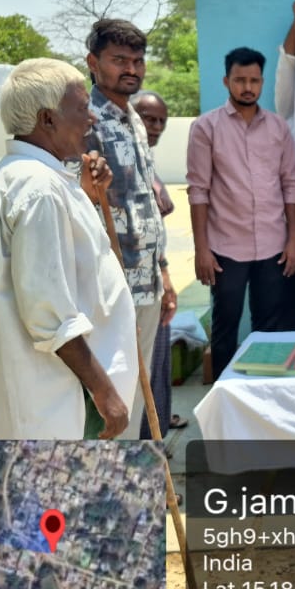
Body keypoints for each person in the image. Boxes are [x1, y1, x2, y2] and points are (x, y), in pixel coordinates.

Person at [0, 59, 134, 589]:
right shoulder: (36, 191)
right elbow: (49, 314)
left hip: (34, 399)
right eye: (79, 106)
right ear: (45, 119)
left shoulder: (14, 179)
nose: (90, 118)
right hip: (63, 399)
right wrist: (107, 393)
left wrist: (88, 197)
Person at [84, 19, 174, 437]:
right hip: (111, 286)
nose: (131, 70)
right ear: (93, 63)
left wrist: (164, 273)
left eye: (137, 61)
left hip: (146, 282)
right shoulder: (85, 122)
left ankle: (131, 471)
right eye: (119, 60)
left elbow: (145, 205)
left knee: (139, 395)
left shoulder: (135, 119)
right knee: (113, 398)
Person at [188, 47, 295, 371]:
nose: (247, 87)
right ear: (227, 81)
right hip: (225, 248)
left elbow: (290, 184)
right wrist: (201, 249)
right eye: (240, 80)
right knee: (225, 327)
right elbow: (198, 190)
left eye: (254, 80)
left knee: (268, 328)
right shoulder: (206, 127)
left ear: (262, 82)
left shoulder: (278, 128)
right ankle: (224, 395)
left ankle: (260, 391)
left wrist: (293, 239)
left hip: (272, 245)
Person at [131, 90, 188, 434]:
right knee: (143, 368)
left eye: (161, 122)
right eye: (147, 118)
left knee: (159, 362)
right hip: (135, 283)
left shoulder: (145, 161)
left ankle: (159, 428)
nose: (154, 127)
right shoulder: (122, 162)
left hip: (154, 275)